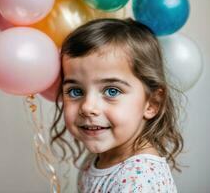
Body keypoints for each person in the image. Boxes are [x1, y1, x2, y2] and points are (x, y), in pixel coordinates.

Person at [50, 18, 184, 193]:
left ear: (152, 103)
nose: (88, 107)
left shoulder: (140, 182)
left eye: (112, 91)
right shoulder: (97, 158)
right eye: (75, 91)